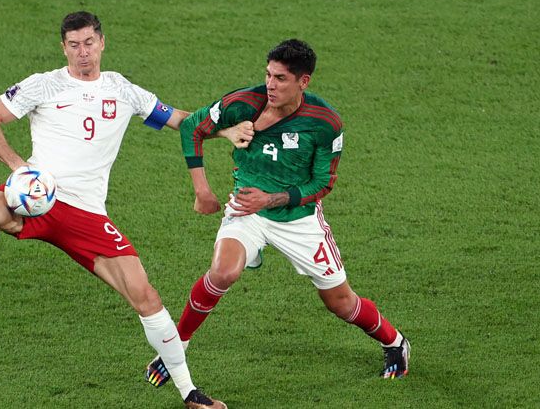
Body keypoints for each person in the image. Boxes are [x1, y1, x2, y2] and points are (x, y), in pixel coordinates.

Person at [0, 11, 242, 409]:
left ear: (102, 43)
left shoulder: (123, 90)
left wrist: (224, 131)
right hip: (37, 198)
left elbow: (179, 119)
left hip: (88, 215)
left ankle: (189, 392)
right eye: (74, 45)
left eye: (89, 43)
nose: (83, 53)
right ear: (64, 48)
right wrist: (19, 168)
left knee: (144, 295)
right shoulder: (42, 85)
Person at [144, 39, 410, 392]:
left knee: (340, 302)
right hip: (246, 208)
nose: (270, 84)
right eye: (268, 75)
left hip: (298, 220)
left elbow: (322, 183)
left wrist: (271, 199)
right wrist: (202, 190)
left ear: (304, 82)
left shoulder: (325, 123)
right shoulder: (242, 103)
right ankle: (177, 347)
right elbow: (193, 127)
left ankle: (395, 343)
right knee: (222, 272)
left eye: (281, 78)